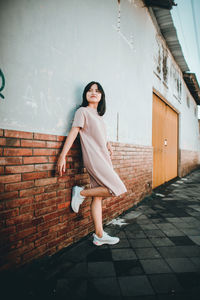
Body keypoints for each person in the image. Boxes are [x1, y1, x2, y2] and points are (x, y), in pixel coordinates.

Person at [57, 81, 127, 246]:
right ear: (85, 95)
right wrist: (62, 155)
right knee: (116, 188)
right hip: (94, 159)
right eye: (90, 90)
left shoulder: (98, 116)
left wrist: (107, 143)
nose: (93, 92)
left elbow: (98, 134)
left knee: (97, 197)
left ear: (101, 96)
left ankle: (99, 235)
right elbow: (74, 131)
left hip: (103, 157)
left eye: (97, 90)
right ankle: (80, 193)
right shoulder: (82, 111)